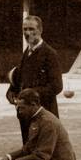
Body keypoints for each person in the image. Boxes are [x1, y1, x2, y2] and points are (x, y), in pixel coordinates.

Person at [7, 15, 63, 143]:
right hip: (26, 114)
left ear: (40, 30)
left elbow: (57, 86)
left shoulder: (49, 54)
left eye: (31, 29)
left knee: (43, 150)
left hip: (44, 113)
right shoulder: (26, 53)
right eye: (25, 29)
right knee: (28, 148)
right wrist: (11, 92)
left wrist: (30, 94)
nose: (27, 33)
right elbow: (18, 79)